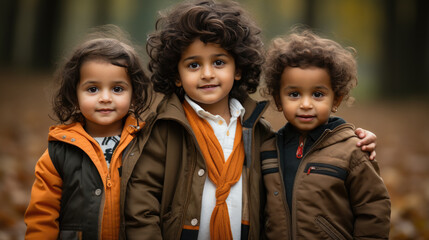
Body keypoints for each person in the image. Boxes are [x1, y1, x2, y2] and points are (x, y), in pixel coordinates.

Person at [122, 1, 377, 240]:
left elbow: (303, 162)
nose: (207, 74)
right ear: (176, 75)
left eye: (219, 62)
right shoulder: (165, 129)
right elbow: (142, 200)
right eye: (193, 65)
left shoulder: (258, 132)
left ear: (239, 69)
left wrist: (348, 138)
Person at [260, 28, 391, 239]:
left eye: (317, 94)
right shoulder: (267, 150)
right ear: (278, 99)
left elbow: (373, 207)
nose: (305, 104)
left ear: (336, 100)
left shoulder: (352, 151)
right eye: (294, 94)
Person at [24, 26, 152, 240]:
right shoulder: (59, 152)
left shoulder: (146, 144)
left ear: (134, 93)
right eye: (93, 89)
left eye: (117, 89)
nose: (105, 98)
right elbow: (42, 215)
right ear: (74, 94)